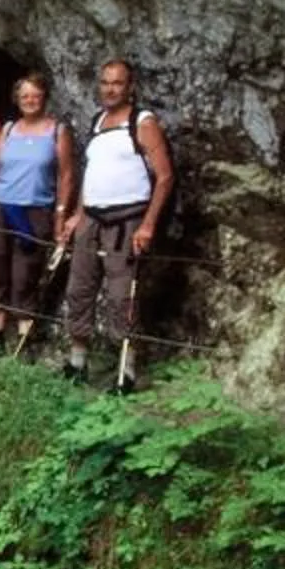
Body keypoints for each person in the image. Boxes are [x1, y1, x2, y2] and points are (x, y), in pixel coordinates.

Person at [59, 58, 173, 387]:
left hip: (127, 219)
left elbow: (165, 176)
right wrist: (78, 214)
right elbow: (91, 173)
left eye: (117, 83)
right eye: (105, 82)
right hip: (91, 217)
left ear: (130, 87)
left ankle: (126, 368)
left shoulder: (142, 122)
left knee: (122, 294)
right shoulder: (98, 121)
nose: (110, 89)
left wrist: (148, 225)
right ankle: (77, 361)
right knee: (79, 288)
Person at [0, 72, 75, 353]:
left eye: (35, 96)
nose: (30, 101)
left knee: (26, 271)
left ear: (44, 98)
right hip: (2, 205)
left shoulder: (57, 131)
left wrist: (60, 215)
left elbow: (66, 176)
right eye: (24, 96)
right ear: (17, 99)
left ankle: (24, 334)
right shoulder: (8, 129)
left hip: (36, 209)